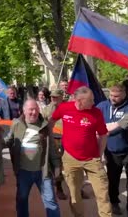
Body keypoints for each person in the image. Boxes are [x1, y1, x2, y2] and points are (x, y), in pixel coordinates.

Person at [48, 86, 112, 217]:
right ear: (80, 100)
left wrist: (99, 155)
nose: (93, 103)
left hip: (92, 159)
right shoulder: (64, 108)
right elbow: (51, 121)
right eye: (91, 100)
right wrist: (50, 139)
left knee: (102, 192)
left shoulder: (96, 112)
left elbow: (103, 135)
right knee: (75, 194)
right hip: (70, 158)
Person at [5, 99, 60, 217]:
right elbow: (8, 140)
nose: (33, 112)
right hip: (23, 171)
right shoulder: (16, 124)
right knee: (22, 200)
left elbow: (51, 147)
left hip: (43, 171)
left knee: (50, 201)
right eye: (30, 109)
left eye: (36, 109)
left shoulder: (45, 125)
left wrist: (57, 165)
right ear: (24, 111)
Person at [96, 85, 128, 216]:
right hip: (111, 150)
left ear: (124, 95)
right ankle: (114, 202)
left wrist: (106, 129)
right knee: (113, 179)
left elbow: (123, 125)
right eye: (111, 95)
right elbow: (94, 121)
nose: (113, 98)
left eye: (116, 96)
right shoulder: (102, 106)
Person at [41, 89, 67, 200]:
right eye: (52, 97)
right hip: (54, 140)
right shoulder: (46, 109)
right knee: (57, 165)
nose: (53, 99)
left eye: (56, 97)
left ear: (62, 97)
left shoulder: (68, 107)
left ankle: (78, 189)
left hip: (67, 139)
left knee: (72, 165)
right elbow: (41, 123)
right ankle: (59, 188)